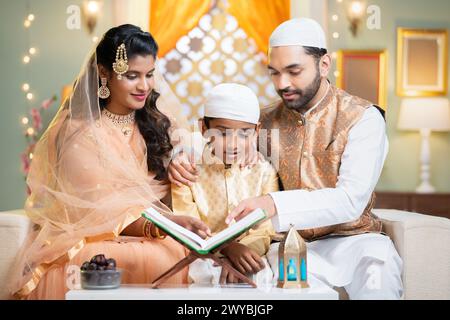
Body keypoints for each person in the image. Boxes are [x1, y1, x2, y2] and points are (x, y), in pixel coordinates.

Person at [170, 18, 403, 299]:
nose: (283, 84)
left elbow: (350, 200)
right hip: (286, 246)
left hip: (355, 242)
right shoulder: (264, 120)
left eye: (294, 71)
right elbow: (209, 134)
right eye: (275, 73)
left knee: (379, 268)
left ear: (324, 64)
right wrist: (181, 155)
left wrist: (271, 203)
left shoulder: (363, 118)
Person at [9, 24, 211, 300]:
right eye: (131, 76)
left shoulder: (156, 121)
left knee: (174, 252)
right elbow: (100, 209)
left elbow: (191, 143)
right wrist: (164, 224)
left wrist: (179, 155)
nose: (144, 86)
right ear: (104, 73)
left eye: (149, 75)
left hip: (157, 231)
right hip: (93, 238)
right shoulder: (77, 131)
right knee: (150, 256)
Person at [171, 83, 277, 285]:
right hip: (200, 256)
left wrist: (244, 252)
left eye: (245, 133)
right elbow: (188, 226)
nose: (233, 144)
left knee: (264, 274)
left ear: (257, 131)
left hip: (249, 255)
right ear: (204, 128)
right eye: (222, 133)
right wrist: (227, 248)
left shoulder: (264, 171)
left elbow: (265, 229)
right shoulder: (187, 171)